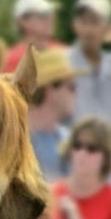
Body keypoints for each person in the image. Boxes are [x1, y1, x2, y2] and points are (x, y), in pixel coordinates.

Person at [29, 48, 86, 181]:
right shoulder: (14, 139)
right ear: (50, 89)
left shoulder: (69, 138)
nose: (76, 94)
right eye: (72, 87)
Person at [68, 0, 111, 127]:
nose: (88, 30)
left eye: (95, 23)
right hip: (75, 145)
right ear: (75, 26)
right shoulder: (63, 64)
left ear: (108, 29)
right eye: (83, 22)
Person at [2, 0, 63, 73]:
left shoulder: (63, 51)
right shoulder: (9, 60)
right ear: (23, 21)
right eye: (43, 15)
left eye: (50, 14)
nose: (50, 19)